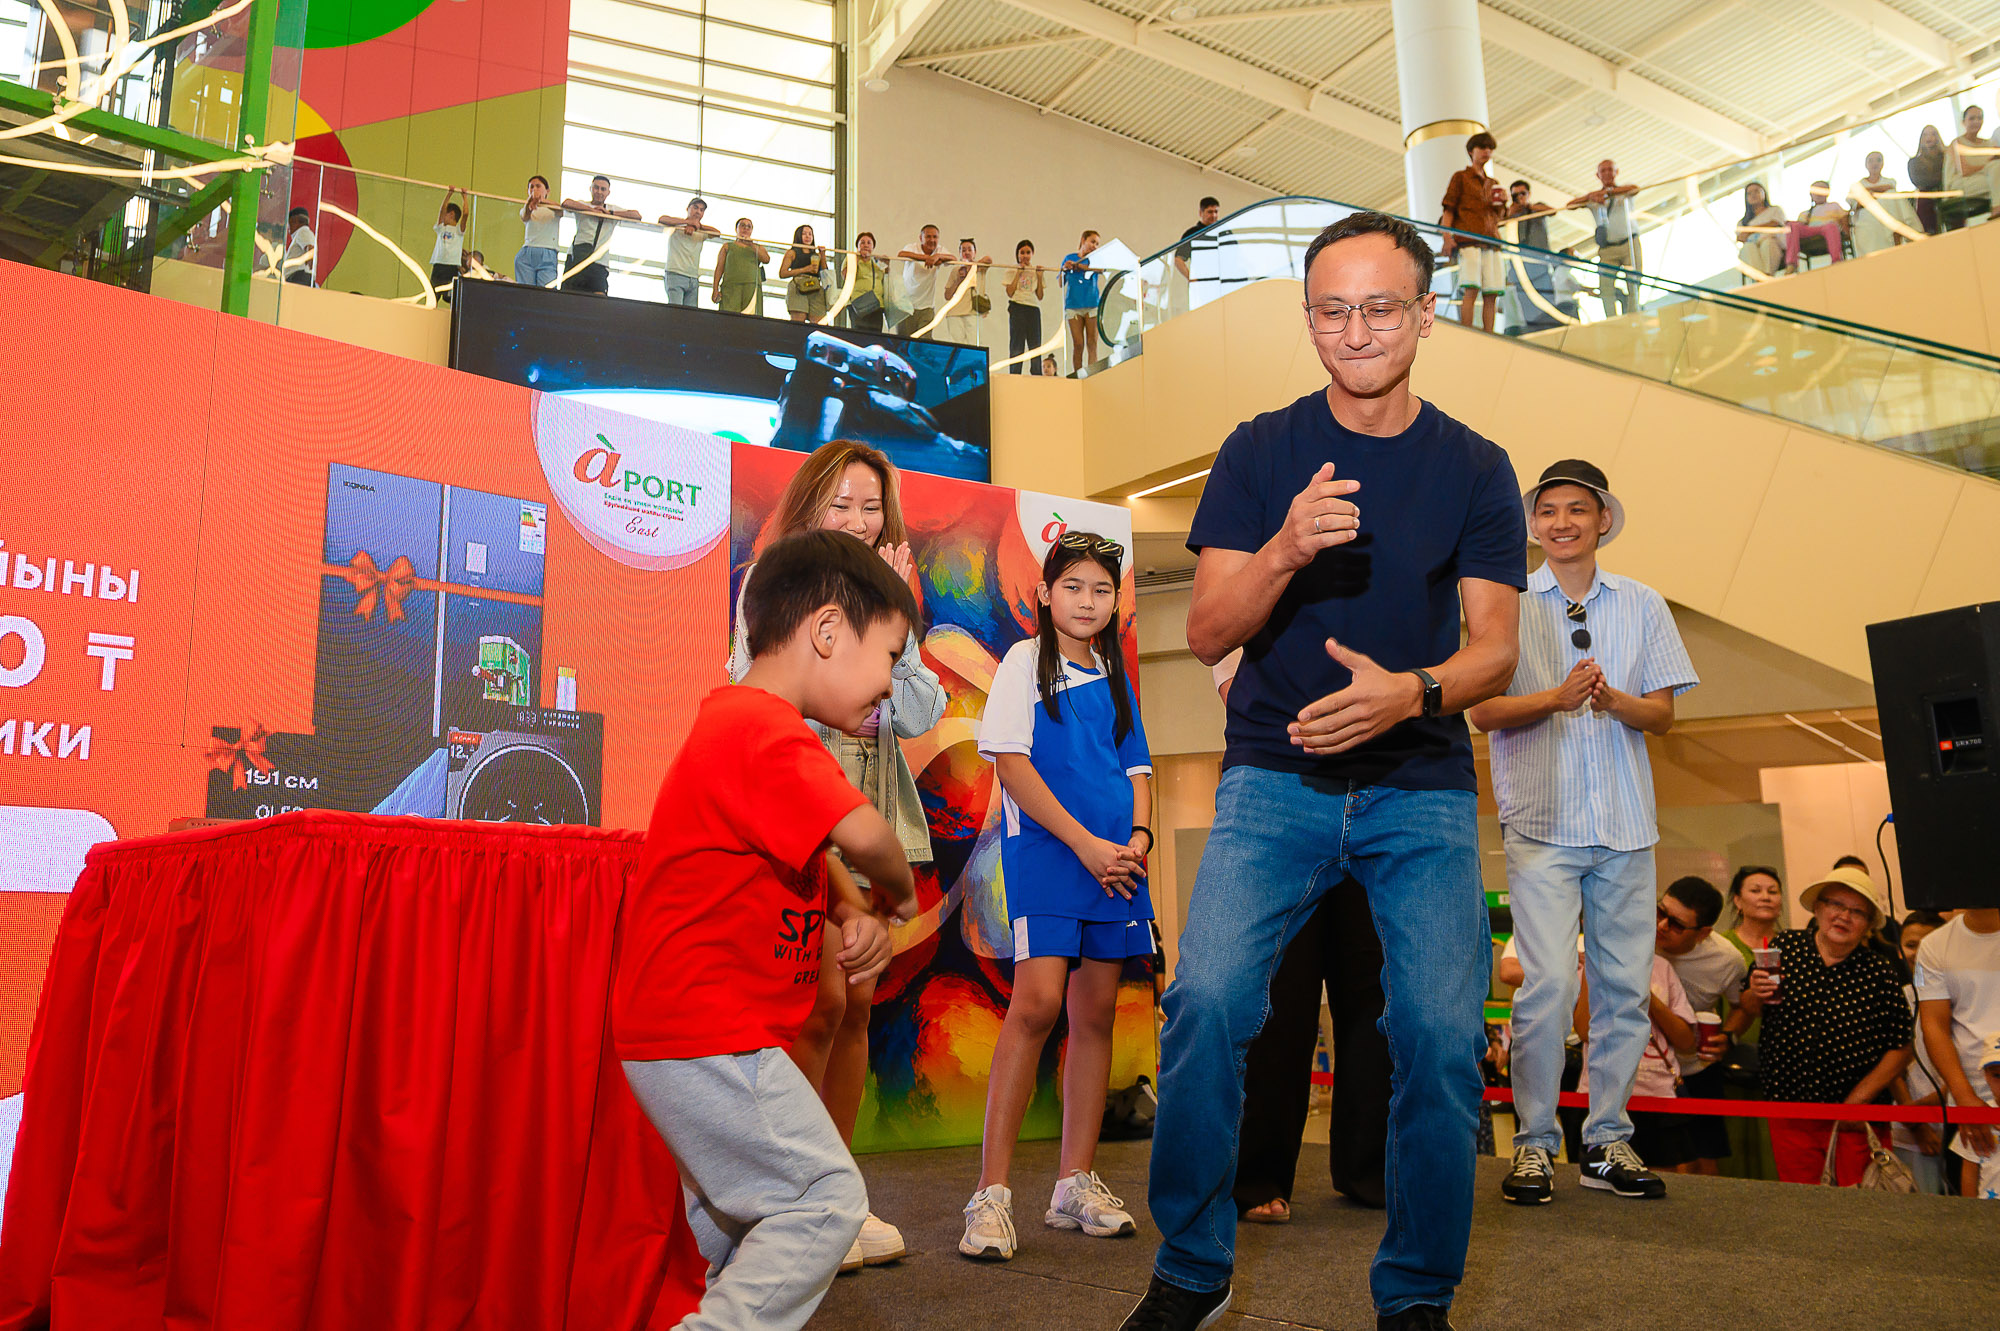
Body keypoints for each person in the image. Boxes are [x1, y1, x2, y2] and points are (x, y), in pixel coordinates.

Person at [1121, 210, 1526, 1331]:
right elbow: (1207, 629)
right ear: (1307, 320)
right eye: (1332, 310)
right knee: (1205, 1003)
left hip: (1420, 784)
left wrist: (1415, 689)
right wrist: (1286, 546)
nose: (1355, 330)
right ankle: (1191, 1269)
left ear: (1425, 315)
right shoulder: (1259, 449)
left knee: (1439, 1038)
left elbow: (1495, 647)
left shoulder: (1475, 466)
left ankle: (1417, 1295)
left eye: (1380, 307)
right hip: (1273, 777)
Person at [612, 529, 920, 1331]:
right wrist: (896, 894)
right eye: (890, 656)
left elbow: (813, 853)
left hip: (687, 1035)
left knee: (746, 1237)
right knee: (825, 1198)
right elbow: (868, 838)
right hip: (707, 1032)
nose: (889, 685)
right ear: (828, 630)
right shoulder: (763, 726)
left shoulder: (741, 726)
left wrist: (851, 909)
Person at [727, 441, 946, 1273]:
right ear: (811, 504)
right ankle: (793, 1202)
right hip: (800, 818)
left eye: (870, 507)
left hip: (871, 812)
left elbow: (918, 713)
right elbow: (749, 685)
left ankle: (838, 1198)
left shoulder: (891, 594)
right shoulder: (774, 581)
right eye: (841, 503)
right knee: (814, 1004)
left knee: (856, 1006)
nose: (857, 520)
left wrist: (901, 614)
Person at [1469, 458, 1697, 1207]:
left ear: (1603, 520)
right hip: (1543, 823)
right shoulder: (1505, 602)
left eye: (1576, 509)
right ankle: (1536, 1143)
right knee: (1549, 986)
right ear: (1533, 525)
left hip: (1626, 824)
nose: (1561, 522)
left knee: (1626, 989)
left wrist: (1613, 701)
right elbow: (1481, 710)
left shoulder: (1642, 602)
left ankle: (1606, 1139)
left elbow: (1662, 715)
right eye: (1548, 511)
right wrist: (1556, 698)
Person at [963, 532, 1153, 1263]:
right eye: (1072, 586)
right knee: (1037, 1006)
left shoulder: (1114, 671)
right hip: (1051, 857)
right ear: (1045, 594)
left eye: (1101, 589)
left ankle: (1074, 1183)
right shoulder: (1022, 661)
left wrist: (1137, 838)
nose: (1087, 600)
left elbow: (1137, 768)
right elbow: (1012, 765)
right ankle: (990, 1194)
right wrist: (1085, 844)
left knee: (1096, 1013)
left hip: (1118, 868)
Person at [1214, 651, 1391, 1224]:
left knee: (1371, 991)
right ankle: (1260, 1174)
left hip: (1373, 795)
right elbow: (1237, 689)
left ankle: (1370, 1167)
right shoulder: (1254, 609)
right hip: (1280, 799)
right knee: (1280, 999)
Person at [1736, 866, 1912, 1185]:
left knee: (1857, 1202)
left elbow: (1901, 1046)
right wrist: (1754, 993)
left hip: (1856, 1119)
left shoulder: (1879, 971)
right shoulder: (1785, 947)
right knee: (1803, 1202)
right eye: (1836, 905)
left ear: (1868, 925)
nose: (1844, 916)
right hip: (1790, 1107)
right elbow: (1750, 1007)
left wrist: (1858, 1100)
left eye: (1857, 911)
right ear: (1818, 908)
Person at [1573, 917, 1698, 1175]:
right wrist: (1592, 969)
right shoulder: (1586, 968)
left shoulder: (1661, 967)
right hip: (1602, 1094)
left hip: (1658, 1093)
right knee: (1600, 1176)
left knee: (1660, 1177)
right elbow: (1585, 1030)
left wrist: (1644, 993)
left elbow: (1687, 1042)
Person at [1654, 876, 1749, 1175]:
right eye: (1660, 912)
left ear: (1703, 932)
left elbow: (1741, 1007)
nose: (1661, 926)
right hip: (1642, 1067)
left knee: (1703, 1162)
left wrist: (1729, 1037)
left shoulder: (1727, 960)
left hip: (1695, 1067)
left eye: (1677, 925)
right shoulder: (1636, 936)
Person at [1914, 902, 2000, 1197]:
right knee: (1970, 1209)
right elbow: (1933, 1025)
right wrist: (1964, 1097)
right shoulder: (1932, 946)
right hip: (1969, 1100)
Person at [1893, 909, 1950, 1193]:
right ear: (1899, 949)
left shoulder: (1960, 998)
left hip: (1960, 1124)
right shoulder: (1897, 997)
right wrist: (1915, 1122)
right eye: (1911, 945)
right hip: (1908, 1132)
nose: (1918, 953)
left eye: (1929, 944)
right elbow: (1891, 1069)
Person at [1438, 132, 1503, 333]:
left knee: (1492, 292)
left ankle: (1489, 333)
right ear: (1471, 151)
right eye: (1482, 148)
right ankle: (1467, 331)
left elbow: (1498, 218)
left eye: (1489, 148)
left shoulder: (1493, 183)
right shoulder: (1461, 177)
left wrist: (1502, 204)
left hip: (1491, 241)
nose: (1486, 152)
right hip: (1468, 240)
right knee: (1471, 287)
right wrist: (1447, 237)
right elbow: (1449, 209)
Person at [1566, 160, 1641, 317]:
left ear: (1616, 172)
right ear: (1598, 175)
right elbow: (1570, 205)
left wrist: (1609, 193)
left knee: (1634, 282)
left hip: (1629, 244)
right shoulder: (1594, 197)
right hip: (1607, 249)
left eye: (1610, 170)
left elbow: (1634, 188)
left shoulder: (1623, 191)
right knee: (1606, 286)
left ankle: (1634, 315)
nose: (1607, 173)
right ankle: (1611, 319)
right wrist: (1590, 197)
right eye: (1603, 171)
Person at [560, 174, 639, 295]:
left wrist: (609, 213)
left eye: (603, 189)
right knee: (569, 296)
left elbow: (636, 215)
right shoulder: (583, 205)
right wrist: (592, 210)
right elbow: (566, 203)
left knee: (599, 297)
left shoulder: (612, 209)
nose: (599, 192)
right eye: (596, 188)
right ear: (590, 189)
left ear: (608, 192)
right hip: (577, 258)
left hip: (599, 262)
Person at [1943, 105, 1999, 230]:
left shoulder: (1989, 143)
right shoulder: (1957, 144)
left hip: (1985, 180)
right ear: (1964, 122)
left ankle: (1996, 208)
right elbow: (1965, 170)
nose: (1976, 121)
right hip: (1960, 184)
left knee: (1996, 173)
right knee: (1996, 179)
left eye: (1979, 118)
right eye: (1972, 118)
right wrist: (1987, 165)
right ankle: (1997, 208)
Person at [1850, 151, 1915, 256]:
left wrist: (1869, 191)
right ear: (1866, 165)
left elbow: (1889, 187)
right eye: (1871, 161)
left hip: (1889, 212)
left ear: (1882, 163)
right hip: (1868, 215)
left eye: (1878, 160)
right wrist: (1879, 191)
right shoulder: (1858, 184)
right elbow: (1857, 203)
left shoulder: (1890, 181)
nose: (1875, 163)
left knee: (1892, 198)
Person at [659, 195, 719, 307]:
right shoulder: (677, 225)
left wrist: (698, 226)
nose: (698, 212)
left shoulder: (702, 231)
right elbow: (662, 219)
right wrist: (688, 223)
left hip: (693, 277)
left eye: (701, 210)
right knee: (675, 311)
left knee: (690, 314)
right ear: (687, 209)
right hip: (675, 273)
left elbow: (717, 233)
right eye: (695, 208)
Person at [1780, 181, 1848, 273]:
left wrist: (1847, 233)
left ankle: (1836, 260)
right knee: (1791, 225)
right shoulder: (1805, 213)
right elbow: (1800, 227)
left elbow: (1844, 221)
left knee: (1831, 227)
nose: (1818, 194)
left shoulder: (1834, 206)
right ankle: (1791, 264)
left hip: (1828, 229)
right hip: (1810, 232)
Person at [896, 224, 950, 336]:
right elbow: (901, 254)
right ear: (921, 238)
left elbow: (953, 258)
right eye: (928, 237)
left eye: (935, 237)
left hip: (927, 307)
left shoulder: (939, 250)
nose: (932, 240)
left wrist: (937, 256)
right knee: (904, 341)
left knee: (925, 341)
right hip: (905, 305)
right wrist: (926, 258)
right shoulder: (912, 247)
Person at [1062, 231, 1103, 374]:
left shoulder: (1096, 259)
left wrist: (1079, 266)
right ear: (1083, 240)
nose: (1094, 246)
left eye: (1097, 244)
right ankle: (1078, 374)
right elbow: (1061, 282)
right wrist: (1065, 269)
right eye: (1092, 242)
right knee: (1078, 344)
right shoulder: (1069, 257)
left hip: (1092, 304)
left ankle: (1092, 374)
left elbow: (1101, 269)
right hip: (1073, 306)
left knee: (1092, 342)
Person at [1175, 196, 1223, 311]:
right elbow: (1178, 259)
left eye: (1216, 212)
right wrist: (1191, 278)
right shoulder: (1192, 233)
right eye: (1210, 212)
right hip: (1202, 285)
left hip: (1221, 284)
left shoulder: (1223, 232)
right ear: (1201, 213)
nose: (1214, 215)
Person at [713, 217, 769, 315]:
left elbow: (766, 259)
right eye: (742, 225)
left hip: (751, 286)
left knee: (751, 317)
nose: (745, 228)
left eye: (749, 226)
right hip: (730, 286)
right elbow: (719, 268)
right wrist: (715, 289)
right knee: (728, 316)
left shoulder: (758, 247)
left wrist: (751, 245)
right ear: (736, 229)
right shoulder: (727, 246)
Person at [1006, 240, 1046, 374]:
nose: (1025, 256)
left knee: (1035, 344)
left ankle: (1036, 373)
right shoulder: (1012, 269)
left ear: (1032, 254)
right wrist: (1018, 273)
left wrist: (1039, 276)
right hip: (1017, 306)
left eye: (1028, 252)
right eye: (1022, 252)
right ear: (1017, 254)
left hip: (1033, 308)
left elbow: (1040, 295)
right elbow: (1009, 292)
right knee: (1017, 344)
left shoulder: (1035, 270)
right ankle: (1015, 373)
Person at [516, 175, 561, 290]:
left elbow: (561, 210)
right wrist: (530, 202)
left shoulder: (552, 209)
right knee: (525, 291)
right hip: (527, 251)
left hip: (548, 251)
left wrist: (542, 201)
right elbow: (525, 216)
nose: (534, 189)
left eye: (538, 186)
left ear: (547, 191)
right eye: (531, 187)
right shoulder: (526, 208)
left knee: (547, 292)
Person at [780, 224, 833, 324]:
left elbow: (825, 273)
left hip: (815, 287)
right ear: (798, 236)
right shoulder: (792, 252)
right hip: (798, 285)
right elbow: (783, 273)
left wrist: (823, 255)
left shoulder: (816, 255)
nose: (807, 236)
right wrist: (805, 269)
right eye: (804, 234)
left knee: (819, 322)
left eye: (810, 234)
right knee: (799, 321)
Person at [942, 238, 990, 345]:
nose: (966, 252)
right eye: (963, 250)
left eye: (969, 249)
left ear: (975, 252)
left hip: (973, 312)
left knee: (974, 345)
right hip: (954, 313)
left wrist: (971, 267)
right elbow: (947, 295)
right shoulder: (956, 270)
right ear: (959, 253)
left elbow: (988, 259)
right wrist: (959, 279)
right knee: (956, 346)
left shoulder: (980, 268)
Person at [1735, 182, 1786, 277]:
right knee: (1748, 247)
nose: (1753, 195)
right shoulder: (1742, 222)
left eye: (1756, 191)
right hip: (1752, 247)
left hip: (1773, 243)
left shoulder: (1775, 210)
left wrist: (1750, 231)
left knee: (1768, 243)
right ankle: (1761, 278)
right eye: (1749, 193)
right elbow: (1740, 237)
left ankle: (1768, 275)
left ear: (1764, 193)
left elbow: (1775, 223)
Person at [429, 187, 469, 303]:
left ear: (451, 214)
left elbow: (465, 214)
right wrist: (449, 193)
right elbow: (442, 210)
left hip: (451, 267)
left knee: (451, 298)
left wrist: (464, 196)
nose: (443, 216)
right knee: (433, 297)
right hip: (438, 265)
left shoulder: (458, 231)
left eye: (446, 214)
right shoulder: (441, 228)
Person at [844, 232, 888, 333]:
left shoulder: (877, 262)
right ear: (857, 246)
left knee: (876, 336)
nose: (866, 245)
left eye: (869, 243)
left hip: (877, 304)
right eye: (862, 242)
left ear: (873, 247)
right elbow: (846, 276)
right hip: (858, 303)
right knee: (859, 334)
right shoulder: (852, 258)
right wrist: (858, 258)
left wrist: (887, 264)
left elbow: (886, 279)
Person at [1909, 124, 1947, 235]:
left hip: (1946, 192)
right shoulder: (1914, 162)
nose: (1929, 137)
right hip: (1926, 199)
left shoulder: (1946, 157)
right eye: (1925, 135)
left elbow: (1948, 176)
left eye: (1932, 134)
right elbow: (1919, 181)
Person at [281, 207, 316, 286]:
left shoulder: (303, 231)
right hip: (299, 277)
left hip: (298, 277)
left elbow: (310, 249)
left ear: (294, 220)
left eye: (289, 222)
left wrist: (309, 265)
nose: (288, 227)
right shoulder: (302, 233)